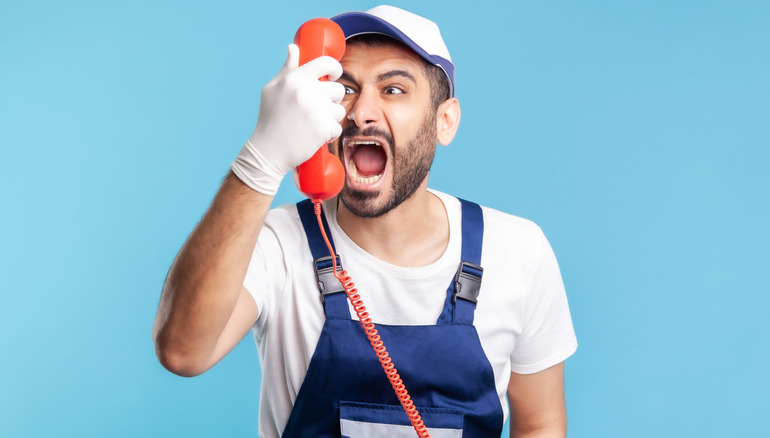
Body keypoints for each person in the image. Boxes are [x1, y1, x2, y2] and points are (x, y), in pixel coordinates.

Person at [153, 5, 577, 437]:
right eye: (345, 90)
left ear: (444, 121)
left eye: (393, 90)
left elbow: (540, 423)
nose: (361, 113)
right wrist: (260, 159)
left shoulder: (517, 251)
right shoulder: (278, 243)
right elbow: (183, 352)